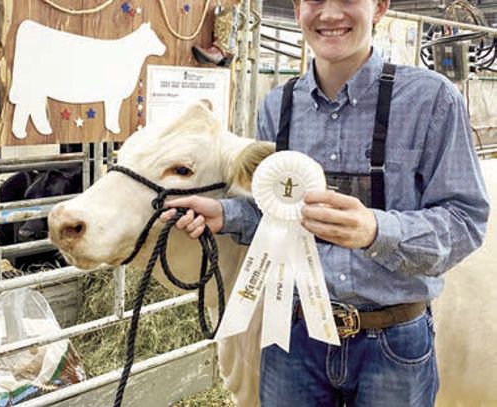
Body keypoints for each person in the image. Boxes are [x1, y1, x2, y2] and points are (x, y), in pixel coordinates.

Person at [161, 0, 490, 405]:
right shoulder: (277, 107)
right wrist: (227, 214)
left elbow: (465, 220)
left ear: (380, 7)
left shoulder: (432, 101)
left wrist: (376, 230)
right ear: (298, 9)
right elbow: (278, 215)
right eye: (314, 0)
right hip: (295, 339)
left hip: (393, 340)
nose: (330, 14)